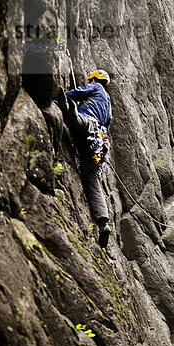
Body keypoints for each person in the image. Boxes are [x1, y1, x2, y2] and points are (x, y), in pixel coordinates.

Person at [57, 69, 112, 248]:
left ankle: (64, 104)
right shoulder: (109, 104)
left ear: (95, 79)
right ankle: (103, 222)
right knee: (91, 179)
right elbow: (108, 122)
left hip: (87, 125)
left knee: (72, 117)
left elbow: (76, 93)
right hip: (99, 142)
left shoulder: (95, 86)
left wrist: (65, 95)